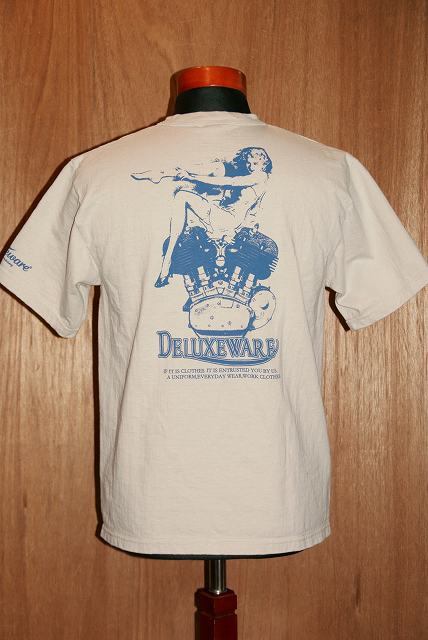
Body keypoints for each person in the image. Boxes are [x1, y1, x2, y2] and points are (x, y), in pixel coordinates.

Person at [131, 146, 272, 287]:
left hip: (226, 219)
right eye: (248, 163)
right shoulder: (257, 178)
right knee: (217, 169)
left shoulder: (260, 176)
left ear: (264, 163)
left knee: (182, 196)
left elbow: (231, 181)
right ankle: (164, 173)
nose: (250, 167)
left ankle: (166, 263)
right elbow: (253, 206)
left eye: (255, 163)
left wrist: (191, 178)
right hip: (224, 216)